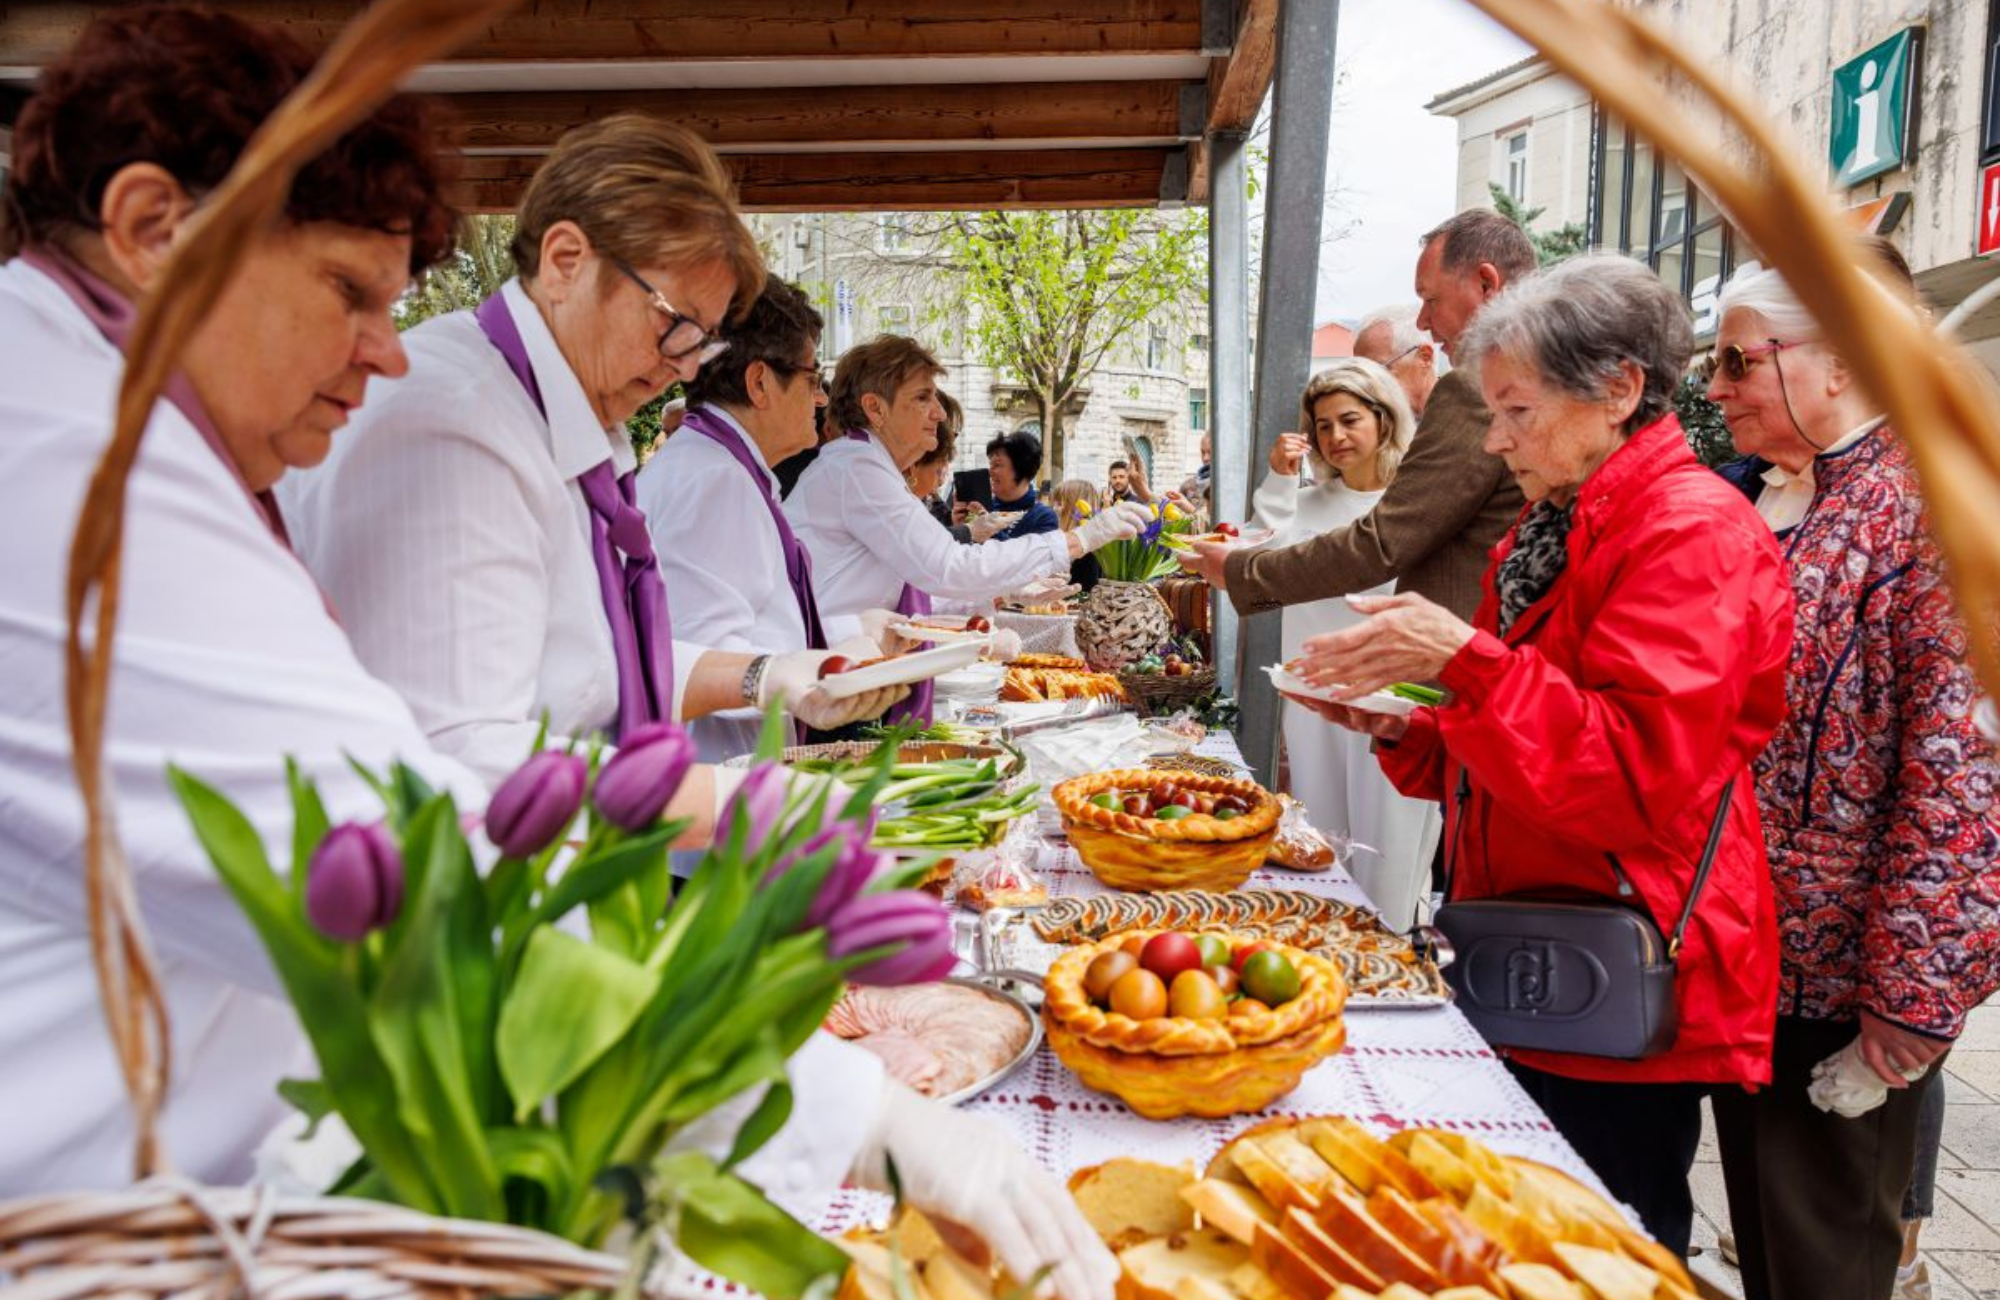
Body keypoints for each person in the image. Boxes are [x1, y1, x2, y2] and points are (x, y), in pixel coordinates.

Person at [0, 22, 1120, 1297]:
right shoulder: (74, 470)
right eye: (346, 294)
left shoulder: (104, 419)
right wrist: (856, 1114)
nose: (380, 347)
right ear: (152, 228)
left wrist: (767, 699)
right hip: (110, 1210)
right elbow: (420, 890)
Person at [1286, 254, 1794, 1257]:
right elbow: (1523, 734)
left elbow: (1629, 775)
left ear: (1616, 390)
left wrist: (1461, 666)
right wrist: (1410, 725)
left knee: (1598, 1241)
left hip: (1616, 950)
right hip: (1541, 935)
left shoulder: (1686, 532)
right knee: (1523, 1234)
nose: (1494, 437)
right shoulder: (1556, 521)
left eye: (1516, 410)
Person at [283, 116, 903, 788]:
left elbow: (585, 665)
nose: (691, 368)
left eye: (705, 340)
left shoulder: (555, 414)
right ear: (565, 263)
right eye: (676, 324)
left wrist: (767, 676)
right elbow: (458, 748)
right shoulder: (452, 424)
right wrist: (729, 801)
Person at [1703, 258, 2000, 1300]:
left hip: (1841, 986)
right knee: (1779, 1257)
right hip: (1757, 959)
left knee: (1825, 1266)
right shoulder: (1812, 497)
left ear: (1831, 358)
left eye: (1736, 358)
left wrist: (1906, 1012)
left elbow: (1962, 777)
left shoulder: (1921, 507)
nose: (1715, 384)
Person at [1178, 208, 1530, 628]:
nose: (1423, 321)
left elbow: (1381, 547)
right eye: (1322, 425)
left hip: (1433, 673)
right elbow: (1283, 584)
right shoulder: (1542, 382)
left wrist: (1239, 574)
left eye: (1431, 299)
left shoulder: (1477, 389)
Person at [786, 334, 1149, 693]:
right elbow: (948, 567)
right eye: (923, 397)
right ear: (875, 408)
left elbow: (924, 587)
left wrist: (1006, 593)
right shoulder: (858, 467)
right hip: (821, 674)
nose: (939, 413)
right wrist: (1080, 539)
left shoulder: (864, 466)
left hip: (834, 671)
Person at [636, 278, 892, 762]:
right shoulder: (716, 481)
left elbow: (746, 623)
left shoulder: (715, 466)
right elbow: (697, 660)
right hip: (720, 782)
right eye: (812, 379)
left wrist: (853, 630)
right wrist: (818, 674)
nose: (820, 400)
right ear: (759, 383)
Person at [1248, 360, 1438, 930]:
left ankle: (1399, 953)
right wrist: (1280, 479)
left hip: (1392, 700)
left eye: (1349, 420)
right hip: (1313, 697)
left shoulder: (1416, 500)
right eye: (1323, 425)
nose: (1336, 437)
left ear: (1384, 419)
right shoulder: (1303, 504)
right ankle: (1337, 953)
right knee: (1325, 837)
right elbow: (1262, 560)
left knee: (1393, 847)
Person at [1352, 304, 1439, 418]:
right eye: (1361, 372)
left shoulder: (1462, 415)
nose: (1368, 384)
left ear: (1425, 358)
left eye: (1378, 369)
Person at [985, 429, 1061, 539]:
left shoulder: (1043, 517)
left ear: (1021, 468)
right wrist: (960, 530)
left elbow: (1028, 556)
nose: (990, 472)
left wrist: (987, 529)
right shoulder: (984, 509)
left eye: (997, 465)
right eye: (990, 465)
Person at [1048, 478, 1105, 594]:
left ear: (1074, 508)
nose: (1054, 509)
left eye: (1059, 503)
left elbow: (1084, 592)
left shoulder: (1088, 550)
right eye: (1053, 504)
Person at [1178, 432, 1212, 514]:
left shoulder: (1223, 489)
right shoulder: (1187, 486)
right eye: (1203, 452)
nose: (1205, 458)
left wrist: (1190, 509)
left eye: (1210, 452)